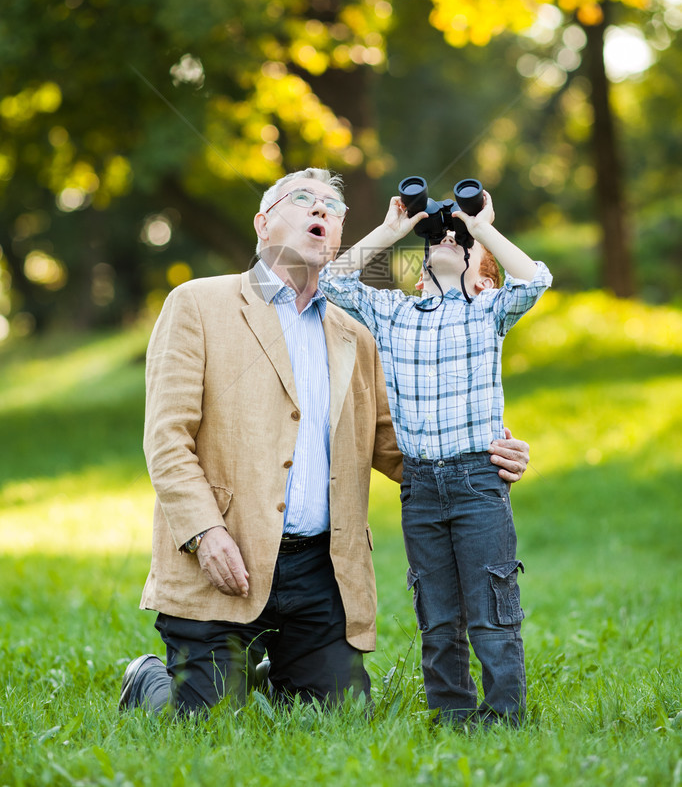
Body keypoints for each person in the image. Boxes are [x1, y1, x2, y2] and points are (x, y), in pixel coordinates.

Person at [119, 169, 531, 715]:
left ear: (338, 238)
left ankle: (261, 670)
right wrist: (204, 531)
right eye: (304, 200)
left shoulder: (357, 331)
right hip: (226, 561)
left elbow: (394, 443)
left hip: (321, 573)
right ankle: (149, 678)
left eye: (333, 207)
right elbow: (167, 439)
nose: (321, 209)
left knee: (337, 716)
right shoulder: (198, 303)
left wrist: (483, 456)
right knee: (207, 720)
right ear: (264, 224)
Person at [319, 188, 552, 725]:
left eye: (461, 243)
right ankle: (451, 715)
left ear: (484, 279)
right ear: (419, 271)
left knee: (492, 609)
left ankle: (503, 718)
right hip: (420, 487)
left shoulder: (487, 312)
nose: (449, 240)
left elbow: (536, 280)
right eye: (440, 239)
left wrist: (482, 227)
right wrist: (394, 230)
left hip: (477, 484)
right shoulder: (396, 315)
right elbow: (332, 281)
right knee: (437, 613)